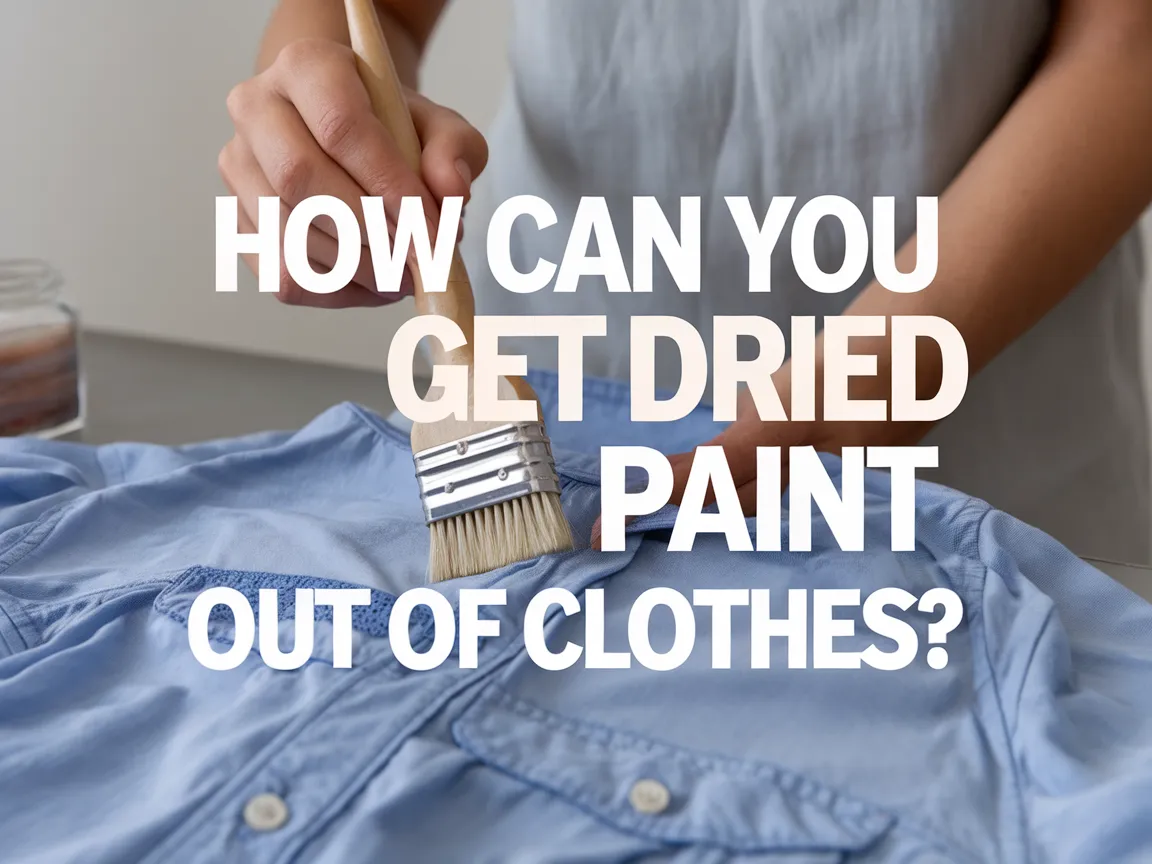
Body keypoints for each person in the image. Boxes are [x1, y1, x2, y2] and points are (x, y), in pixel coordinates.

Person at [220, 0, 1152, 564]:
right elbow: (376, 9)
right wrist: (323, 123)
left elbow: (1126, 41)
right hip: (550, 400)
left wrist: (874, 377)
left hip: (990, 437)